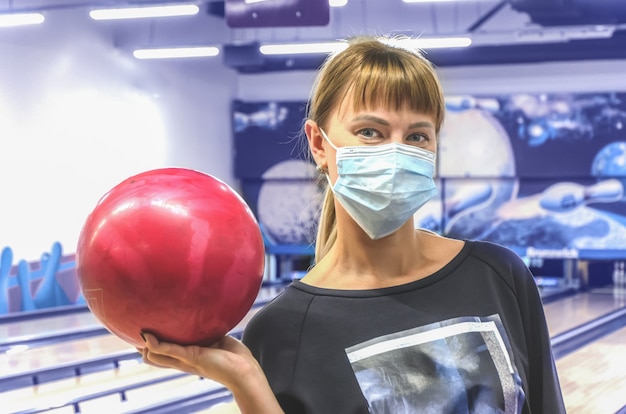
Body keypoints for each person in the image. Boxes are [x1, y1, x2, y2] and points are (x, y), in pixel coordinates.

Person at [138, 35, 566, 414]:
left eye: (417, 136)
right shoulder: (282, 329)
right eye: (371, 132)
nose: (397, 151)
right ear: (319, 144)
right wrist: (244, 380)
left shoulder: (499, 275)